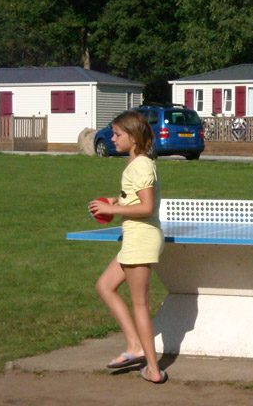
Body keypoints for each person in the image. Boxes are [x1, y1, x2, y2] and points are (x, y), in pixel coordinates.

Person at [88, 110, 168, 384]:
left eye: (117, 134)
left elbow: (146, 207)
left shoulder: (142, 165)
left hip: (141, 239)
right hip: (135, 239)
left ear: (133, 138)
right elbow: (135, 199)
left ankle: (154, 370)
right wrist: (118, 200)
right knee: (105, 286)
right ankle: (134, 346)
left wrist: (112, 208)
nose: (112, 138)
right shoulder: (136, 165)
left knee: (140, 305)